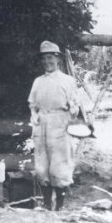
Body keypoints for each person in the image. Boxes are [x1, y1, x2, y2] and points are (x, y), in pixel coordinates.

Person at [28, 41, 79, 211]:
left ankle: (59, 207)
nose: (47, 61)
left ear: (57, 59)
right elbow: (32, 105)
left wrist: (72, 110)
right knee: (42, 164)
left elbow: (75, 106)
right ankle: (47, 204)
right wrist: (35, 117)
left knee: (60, 163)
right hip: (42, 123)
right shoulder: (37, 81)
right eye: (44, 58)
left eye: (50, 57)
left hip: (60, 123)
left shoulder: (68, 80)